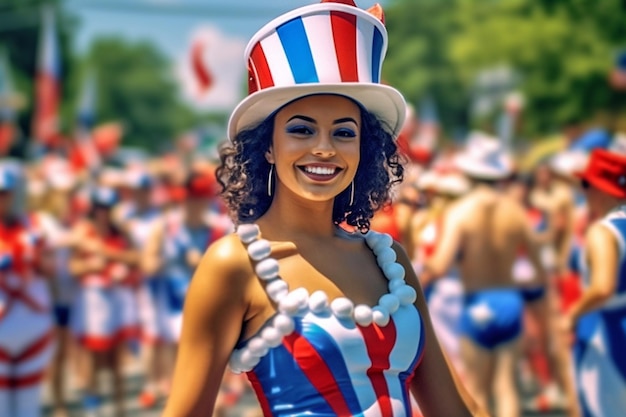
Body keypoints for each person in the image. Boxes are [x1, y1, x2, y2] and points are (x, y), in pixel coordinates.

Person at [163, 1, 485, 416]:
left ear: (363, 150)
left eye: (344, 132)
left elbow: (457, 409)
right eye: (301, 129)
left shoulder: (389, 261)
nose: (324, 148)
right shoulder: (235, 264)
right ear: (267, 148)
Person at [421, 135, 548, 417]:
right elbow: (539, 273)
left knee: (477, 391)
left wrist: (417, 274)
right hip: (509, 301)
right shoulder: (516, 212)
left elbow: (440, 265)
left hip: (477, 302)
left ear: (467, 172)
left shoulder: (460, 212)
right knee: (507, 389)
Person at [561, 149, 626, 417]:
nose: (582, 191)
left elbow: (602, 287)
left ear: (602, 189)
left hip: (606, 334)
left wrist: (572, 314)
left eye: (586, 184)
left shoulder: (602, 231)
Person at [0, 163, 55, 417]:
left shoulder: (35, 225)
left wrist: (37, 258)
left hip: (33, 326)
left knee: (27, 407)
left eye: (5, 193)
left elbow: (52, 267)